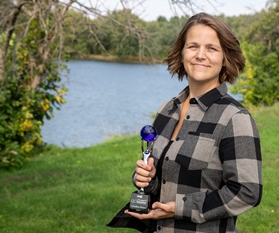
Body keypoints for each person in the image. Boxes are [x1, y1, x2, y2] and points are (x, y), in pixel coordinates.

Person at [107, 12, 262, 233]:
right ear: (181, 53)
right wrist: (148, 179)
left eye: (211, 48)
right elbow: (166, 181)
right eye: (193, 46)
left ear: (225, 58)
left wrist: (181, 208)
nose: (200, 55)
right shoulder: (167, 109)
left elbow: (247, 192)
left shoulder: (235, 118)